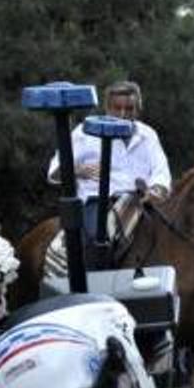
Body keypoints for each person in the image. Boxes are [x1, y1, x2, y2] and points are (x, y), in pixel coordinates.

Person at [45, 81, 172, 263]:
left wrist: (156, 190)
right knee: (99, 236)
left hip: (138, 203)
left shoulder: (148, 135)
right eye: (117, 108)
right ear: (106, 108)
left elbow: (161, 173)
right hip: (96, 203)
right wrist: (76, 170)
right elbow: (54, 173)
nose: (122, 114)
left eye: (129, 109)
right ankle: (91, 283)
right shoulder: (84, 132)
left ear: (138, 109)